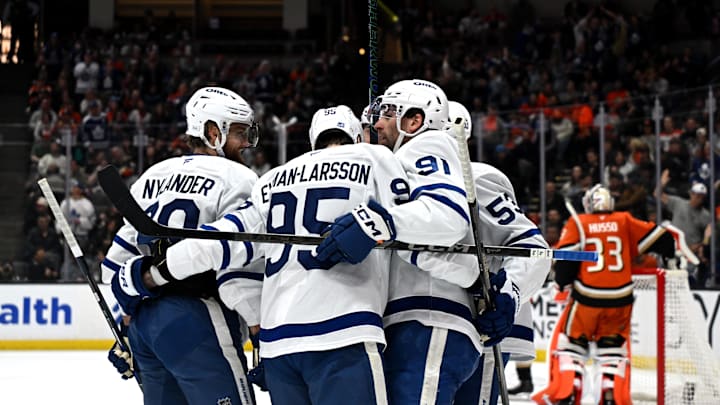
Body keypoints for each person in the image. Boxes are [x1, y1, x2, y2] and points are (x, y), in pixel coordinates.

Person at [117, 104, 408, 405]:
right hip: (343, 331)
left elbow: (223, 243)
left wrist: (153, 275)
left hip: (279, 346)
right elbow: (429, 213)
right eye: (240, 133)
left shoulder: (273, 180)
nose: (245, 143)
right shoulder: (376, 158)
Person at [316, 81, 517, 404]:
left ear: (414, 121)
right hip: (415, 322)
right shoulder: (397, 162)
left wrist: (377, 224)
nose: (377, 122)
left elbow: (447, 218)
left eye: (388, 113)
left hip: (428, 317)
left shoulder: (426, 147)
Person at [102, 86, 260, 405]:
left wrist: (127, 323)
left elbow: (113, 265)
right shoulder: (241, 178)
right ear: (213, 132)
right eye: (241, 133)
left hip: (145, 325)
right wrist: (261, 332)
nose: (246, 143)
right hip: (199, 318)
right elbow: (238, 272)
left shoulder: (153, 175)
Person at [408, 101, 550, 405]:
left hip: (480, 324)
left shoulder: (478, 177)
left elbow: (531, 248)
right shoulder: (413, 176)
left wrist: (507, 292)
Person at [532, 184, 675, 405]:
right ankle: (610, 396)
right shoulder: (624, 220)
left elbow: (567, 260)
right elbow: (663, 240)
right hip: (621, 299)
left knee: (571, 346)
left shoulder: (578, 222)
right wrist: (671, 256)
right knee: (612, 351)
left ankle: (567, 393)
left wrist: (561, 284)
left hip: (587, 299)